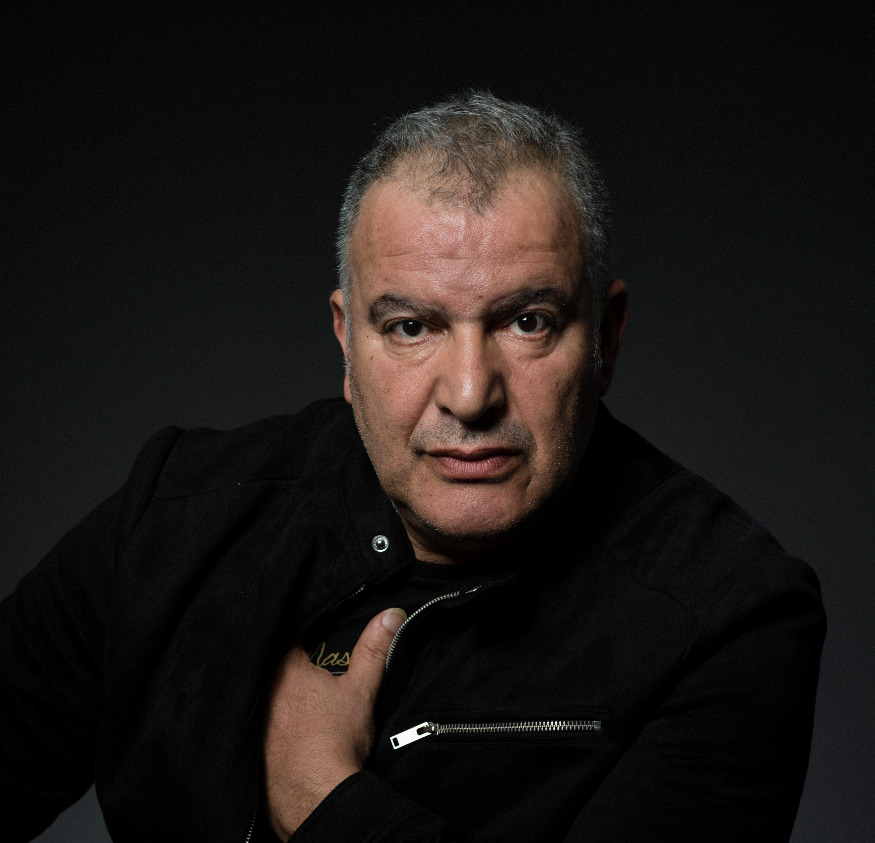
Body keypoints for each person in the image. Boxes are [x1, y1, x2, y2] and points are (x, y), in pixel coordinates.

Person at [0, 92, 825, 842]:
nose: (469, 394)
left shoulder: (730, 614)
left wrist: (322, 795)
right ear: (346, 341)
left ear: (605, 336)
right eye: (410, 327)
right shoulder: (172, 519)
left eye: (527, 321)